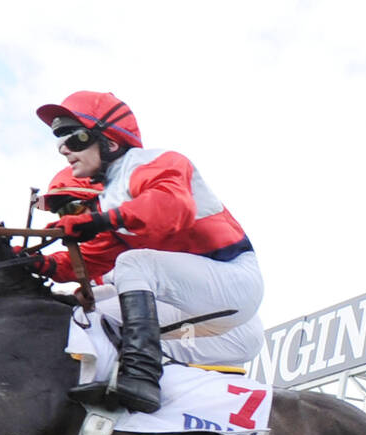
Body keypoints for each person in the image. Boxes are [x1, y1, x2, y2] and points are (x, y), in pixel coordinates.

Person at [32, 91, 265, 413]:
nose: (63, 149)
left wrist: (100, 220)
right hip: (195, 305)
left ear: (110, 142)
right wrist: (37, 263)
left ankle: (141, 377)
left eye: (74, 138)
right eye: (59, 142)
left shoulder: (157, 163)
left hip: (233, 285)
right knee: (88, 319)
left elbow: (171, 208)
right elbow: (93, 258)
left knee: (133, 263)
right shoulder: (111, 196)